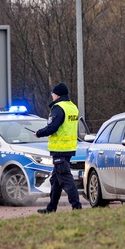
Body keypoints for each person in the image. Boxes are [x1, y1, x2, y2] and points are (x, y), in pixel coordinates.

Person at [35, 82, 83, 213]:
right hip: (69, 149)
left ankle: (76, 206)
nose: (52, 97)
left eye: (53, 94)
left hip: (60, 149)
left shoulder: (58, 107)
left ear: (58, 95)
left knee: (66, 178)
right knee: (55, 180)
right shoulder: (72, 107)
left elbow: (52, 127)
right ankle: (51, 208)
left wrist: (39, 133)